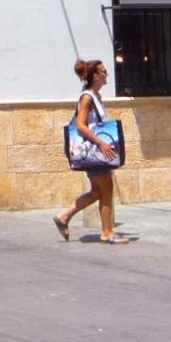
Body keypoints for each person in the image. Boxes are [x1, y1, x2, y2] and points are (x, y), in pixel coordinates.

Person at [53, 59, 131, 244]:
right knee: (106, 190)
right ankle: (107, 232)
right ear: (95, 76)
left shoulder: (95, 96)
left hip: (95, 151)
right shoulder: (87, 97)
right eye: (104, 72)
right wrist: (102, 143)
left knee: (97, 191)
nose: (107, 75)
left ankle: (64, 216)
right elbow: (80, 125)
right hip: (94, 150)